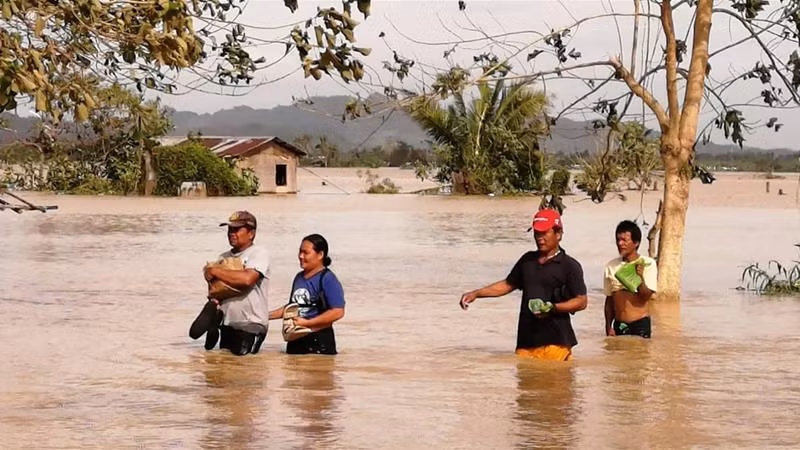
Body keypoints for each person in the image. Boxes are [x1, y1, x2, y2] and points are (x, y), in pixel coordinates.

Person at [459, 209, 588, 361]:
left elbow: (581, 301)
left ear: (558, 234)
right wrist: (476, 294)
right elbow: (507, 284)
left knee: (553, 376)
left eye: (544, 233)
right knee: (524, 375)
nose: (539, 238)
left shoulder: (569, 266)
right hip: (525, 342)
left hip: (555, 341)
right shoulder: (527, 261)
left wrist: (553, 308)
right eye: (537, 233)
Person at [189, 211, 271, 355]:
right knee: (225, 365)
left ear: (251, 233)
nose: (231, 233)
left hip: (251, 325)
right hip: (227, 324)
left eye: (237, 229)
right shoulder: (223, 257)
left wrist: (215, 271)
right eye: (230, 229)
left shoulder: (258, 253)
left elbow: (247, 279)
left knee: (245, 365)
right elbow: (216, 291)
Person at [269, 234, 345, 355]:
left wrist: (308, 323)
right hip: (295, 339)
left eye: (306, 253)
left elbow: (338, 312)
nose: (301, 256)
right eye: (300, 252)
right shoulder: (299, 277)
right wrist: (265, 316)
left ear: (320, 255)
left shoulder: (327, 279)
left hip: (319, 341)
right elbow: (292, 307)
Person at [603, 220, 658, 339]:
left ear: (636, 243)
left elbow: (646, 296)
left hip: (640, 324)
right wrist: (608, 326)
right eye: (618, 240)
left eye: (624, 240)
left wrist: (640, 278)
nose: (620, 243)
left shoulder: (647, 264)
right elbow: (609, 300)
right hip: (619, 324)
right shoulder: (611, 266)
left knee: (639, 351)